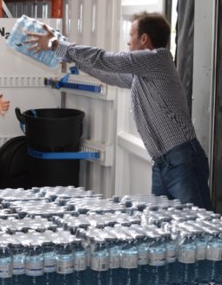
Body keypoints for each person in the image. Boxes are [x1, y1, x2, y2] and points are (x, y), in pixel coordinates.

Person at [24, 12, 212, 209]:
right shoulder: (143, 75)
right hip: (163, 163)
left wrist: (58, 45)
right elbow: (106, 74)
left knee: (199, 224)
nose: (128, 42)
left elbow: (104, 58)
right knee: (164, 224)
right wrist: (71, 57)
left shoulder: (156, 59)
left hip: (182, 160)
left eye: (131, 35)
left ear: (144, 38)